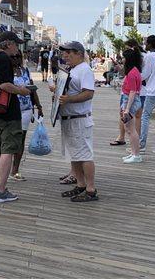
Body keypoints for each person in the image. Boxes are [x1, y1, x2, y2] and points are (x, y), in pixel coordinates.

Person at [0, 31, 30, 203]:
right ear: (9, 44)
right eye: (16, 44)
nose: (17, 48)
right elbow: (4, 84)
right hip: (7, 111)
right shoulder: (4, 59)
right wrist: (22, 90)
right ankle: (1, 190)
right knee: (7, 150)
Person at [56, 41, 98, 202]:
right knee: (75, 154)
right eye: (64, 53)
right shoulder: (73, 69)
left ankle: (90, 188)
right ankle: (80, 184)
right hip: (69, 118)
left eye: (69, 53)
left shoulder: (85, 70)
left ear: (79, 53)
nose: (65, 56)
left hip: (80, 119)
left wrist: (69, 99)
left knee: (85, 155)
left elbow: (89, 93)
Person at [11, 51, 43, 181]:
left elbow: (32, 89)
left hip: (26, 109)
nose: (16, 59)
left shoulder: (25, 70)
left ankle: (15, 170)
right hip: (10, 110)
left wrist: (39, 106)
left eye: (18, 56)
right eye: (13, 56)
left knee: (20, 140)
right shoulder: (5, 71)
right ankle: (3, 170)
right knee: (8, 139)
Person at [120, 48, 143, 163]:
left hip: (130, 100)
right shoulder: (134, 71)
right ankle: (134, 153)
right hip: (130, 99)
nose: (122, 59)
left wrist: (127, 109)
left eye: (124, 57)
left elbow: (133, 91)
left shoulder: (132, 73)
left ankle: (136, 155)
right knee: (128, 128)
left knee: (131, 129)